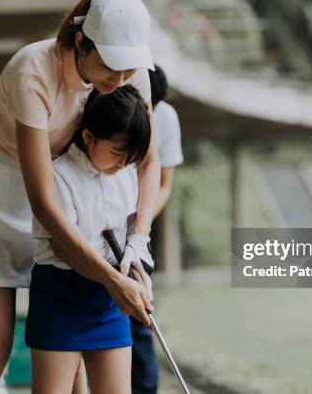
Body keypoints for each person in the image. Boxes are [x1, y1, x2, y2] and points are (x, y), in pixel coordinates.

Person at [0, 0, 159, 393]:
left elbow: (147, 160)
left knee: (72, 346)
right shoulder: (32, 68)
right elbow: (42, 201)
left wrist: (138, 239)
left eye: (128, 69)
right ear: (81, 43)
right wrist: (111, 280)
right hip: (2, 184)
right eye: (110, 68)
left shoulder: (132, 72)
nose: (119, 81)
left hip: (76, 186)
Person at [26, 85, 151, 394]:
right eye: (118, 154)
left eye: (131, 159)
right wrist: (115, 281)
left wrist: (135, 256)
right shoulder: (59, 176)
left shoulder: (122, 174)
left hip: (108, 301)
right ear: (88, 137)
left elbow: (132, 221)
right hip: (60, 295)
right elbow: (63, 247)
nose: (123, 165)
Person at [131, 65, 184, 394]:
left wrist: (140, 226)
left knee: (140, 326)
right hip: (98, 228)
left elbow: (164, 183)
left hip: (137, 233)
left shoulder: (166, 117)